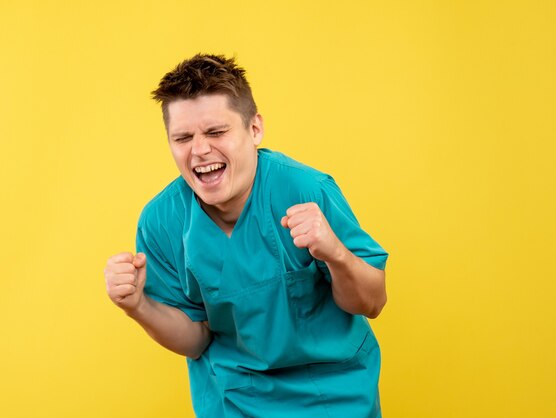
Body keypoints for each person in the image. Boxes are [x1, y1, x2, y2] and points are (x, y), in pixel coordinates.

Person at [104, 54, 389, 418]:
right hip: (235, 400)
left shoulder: (306, 189)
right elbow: (196, 339)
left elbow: (372, 302)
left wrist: (336, 253)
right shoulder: (162, 221)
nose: (200, 150)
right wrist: (137, 306)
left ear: (254, 129)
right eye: (183, 137)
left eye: (216, 132)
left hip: (333, 395)